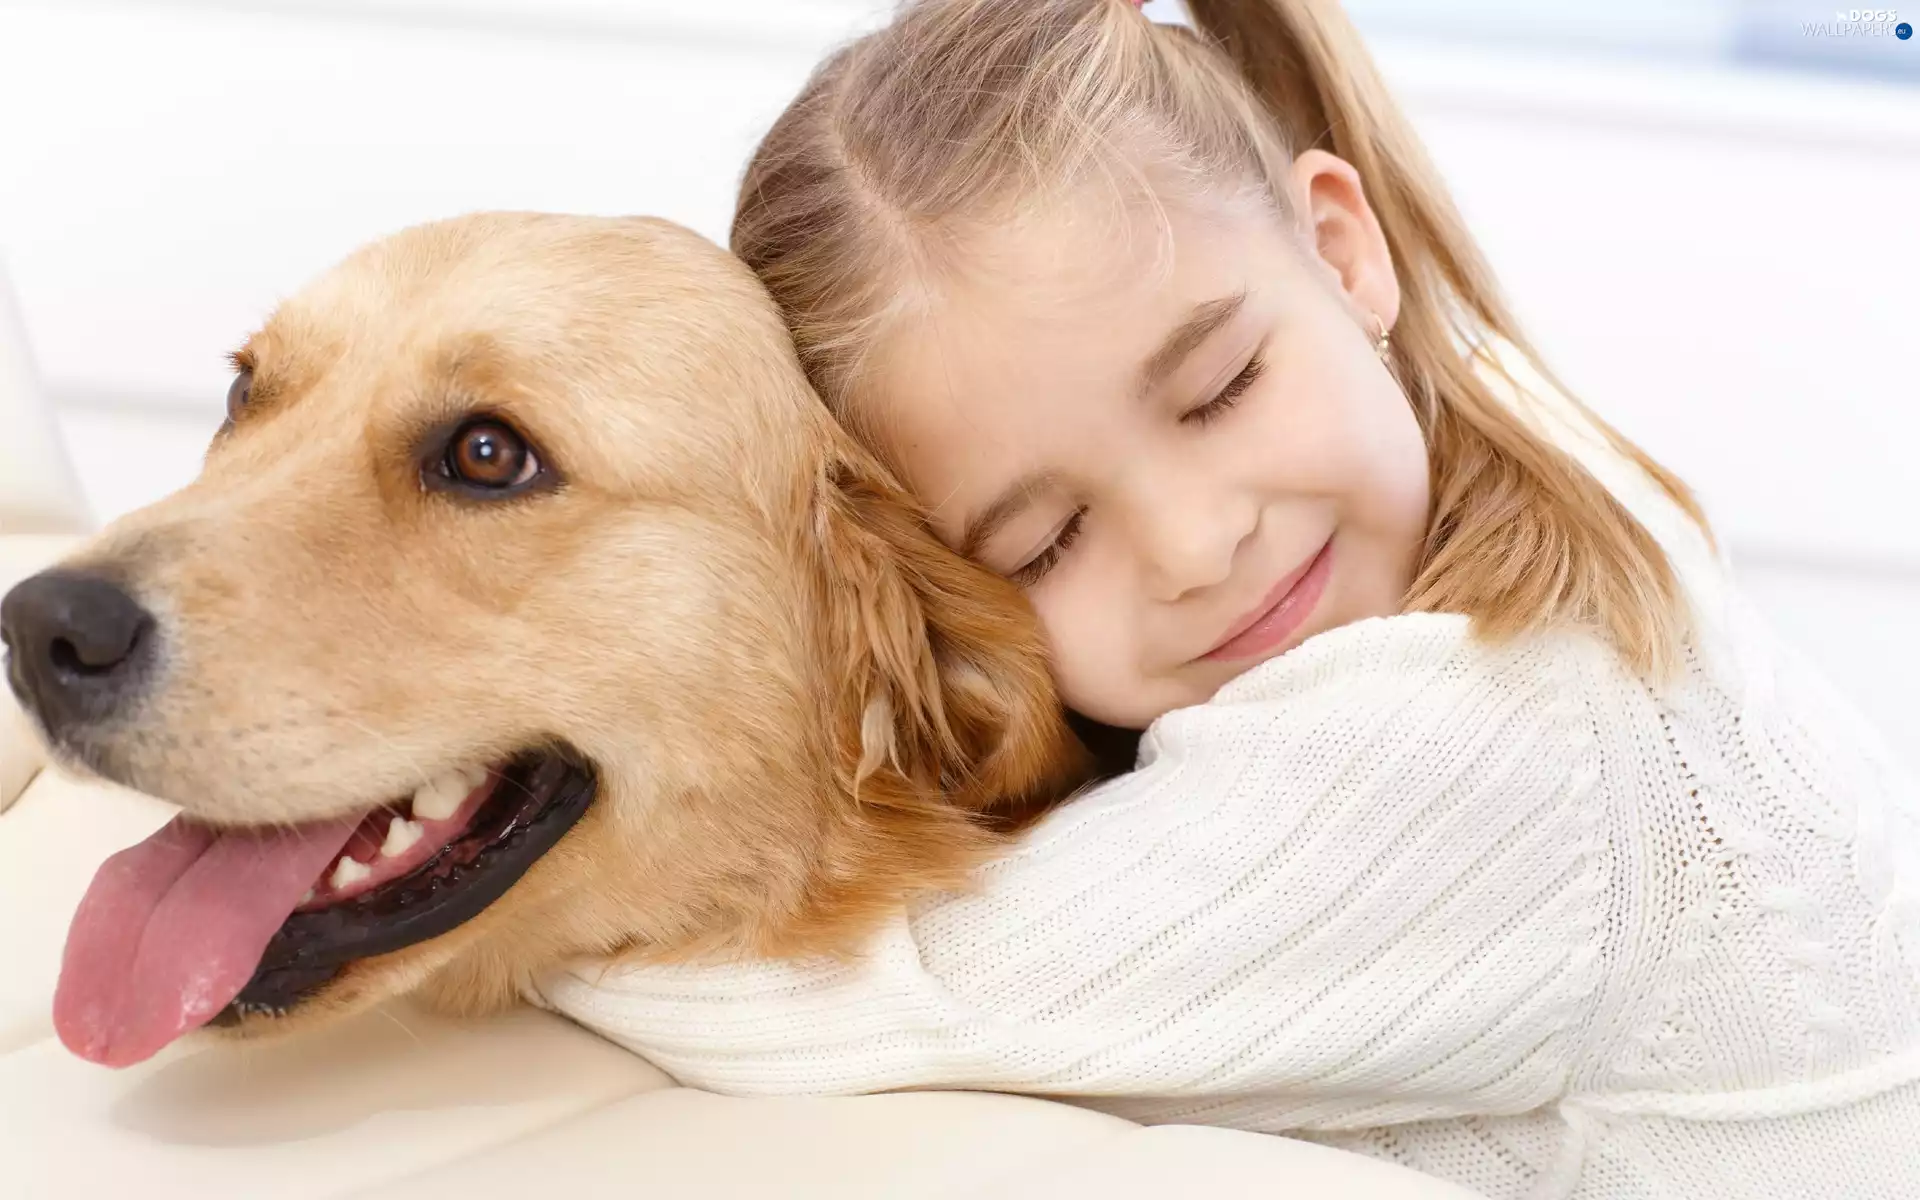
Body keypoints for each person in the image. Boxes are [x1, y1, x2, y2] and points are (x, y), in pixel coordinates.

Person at [535, 2, 1920, 1195]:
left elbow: (883, 1003)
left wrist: (517, 901)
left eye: (1220, 391)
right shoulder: (1510, 451)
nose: (1196, 547)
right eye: (1048, 542)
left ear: (1343, 249)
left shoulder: (1494, 739)